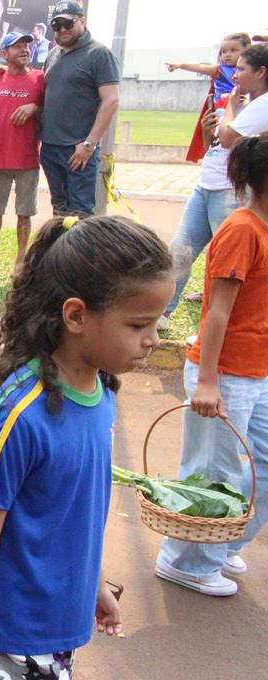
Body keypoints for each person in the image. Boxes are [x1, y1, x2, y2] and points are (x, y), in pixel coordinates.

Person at [0, 214, 174, 680]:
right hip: (13, 637)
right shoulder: (20, 415)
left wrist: (93, 584)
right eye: (140, 324)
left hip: (60, 622)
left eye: (157, 323)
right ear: (76, 316)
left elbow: (77, 512)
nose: (153, 341)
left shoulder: (102, 391)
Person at [154, 136, 268, 597]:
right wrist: (207, 381)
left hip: (257, 372)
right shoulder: (241, 229)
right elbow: (216, 311)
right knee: (211, 471)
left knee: (262, 462)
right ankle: (188, 561)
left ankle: (220, 544)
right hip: (225, 374)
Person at [159, 44, 268, 331]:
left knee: (228, 264)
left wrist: (231, 106)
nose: (235, 76)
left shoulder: (263, 104)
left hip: (231, 191)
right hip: (207, 185)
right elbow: (218, 147)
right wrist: (211, 133)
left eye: (242, 69)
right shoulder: (248, 104)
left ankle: (230, 326)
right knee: (180, 251)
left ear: (261, 72)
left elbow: (230, 138)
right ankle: (162, 313)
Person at [0, 32, 45, 276]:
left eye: (26, 46)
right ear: (4, 54)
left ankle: (20, 261)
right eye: (17, 47)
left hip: (27, 159)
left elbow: (50, 106)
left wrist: (34, 107)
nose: (24, 50)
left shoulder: (40, 79)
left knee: (24, 213)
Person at [38, 1, 119, 217]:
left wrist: (89, 144)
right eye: (57, 25)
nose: (62, 30)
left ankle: (81, 252)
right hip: (50, 147)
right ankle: (60, 251)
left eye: (68, 23)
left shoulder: (99, 54)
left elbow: (111, 101)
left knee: (80, 213)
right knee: (59, 208)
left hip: (78, 149)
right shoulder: (53, 55)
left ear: (82, 21)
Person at [167, 33, 252, 108]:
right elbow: (199, 67)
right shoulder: (220, 69)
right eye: (224, 51)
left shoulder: (253, 69)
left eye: (233, 50)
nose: (227, 55)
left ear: (247, 50)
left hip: (244, 107)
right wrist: (181, 65)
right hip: (223, 109)